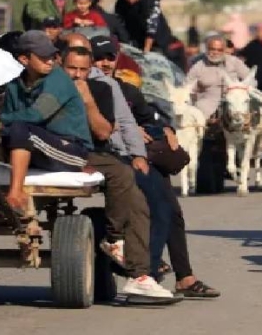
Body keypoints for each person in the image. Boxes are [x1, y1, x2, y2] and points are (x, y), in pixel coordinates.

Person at [86, 35, 220, 298]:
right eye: (98, 58)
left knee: (173, 211)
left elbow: (151, 119)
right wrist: (130, 130)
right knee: (158, 209)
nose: (104, 63)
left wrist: (165, 129)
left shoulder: (127, 90)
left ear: (117, 59)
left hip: (139, 155)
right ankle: (147, 274)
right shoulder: (88, 88)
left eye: (109, 58)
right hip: (116, 157)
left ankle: (184, 277)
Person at [57, 45, 174, 300]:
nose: (77, 75)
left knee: (138, 200)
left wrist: (87, 100)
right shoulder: (48, 87)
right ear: (59, 64)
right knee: (123, 175)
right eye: (71, 69)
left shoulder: (102, 89)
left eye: (83, 70)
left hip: (93, 152)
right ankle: (117, 239)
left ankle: (140, 275)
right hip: (54, 151)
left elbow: (103, 132)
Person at [0, 31, 92, 212]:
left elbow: (36, 115)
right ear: (24, 59)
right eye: (43, 57)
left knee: (21, 129)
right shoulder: (14, 86)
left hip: (70, 149)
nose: (50, 61)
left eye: (52, 55)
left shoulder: (58, 79)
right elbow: (5, 127)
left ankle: (16, 195)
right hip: (37, 146)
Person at [185, 35, 251, 121]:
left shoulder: (234, 62)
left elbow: (250, 79)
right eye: (212, 49)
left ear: (224, 50)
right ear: (207, 49)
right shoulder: (198, 66)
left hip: (234, 100)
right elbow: (187, 88)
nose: (215, 52)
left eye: (219, 50)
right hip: (208, 103)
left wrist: (242, 91)